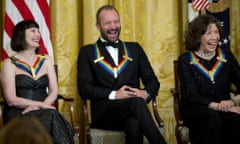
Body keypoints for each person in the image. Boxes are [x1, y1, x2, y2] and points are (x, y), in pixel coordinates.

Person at [77, 4, 166, 144]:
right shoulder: (87, 52)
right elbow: (84, 88)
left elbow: (153, 81)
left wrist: (145, 93)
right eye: (107, 23)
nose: (113, 26)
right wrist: (114, 94)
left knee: (134, 123)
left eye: (116, 21)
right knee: (136, 103)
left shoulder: (135, 49)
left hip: (134, 112)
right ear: (98, 26)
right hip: (105, 115)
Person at [1, 20, 74, 144]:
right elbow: (11, 99)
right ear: (21, 35)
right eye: (33, 31)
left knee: (51, 115)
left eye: (39, 31)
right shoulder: (9, 63)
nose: (38, 34)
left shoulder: (46, 60)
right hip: (19, 112)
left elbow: (54, 91)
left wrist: (40, 106)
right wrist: (40, 105)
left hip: (43, 109)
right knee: (52, 116)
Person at [178, 14, 240, 144]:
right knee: (213, 119)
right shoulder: (185, 59)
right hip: (195, 108)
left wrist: (233, 102)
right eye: (208, 33)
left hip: (223, 106)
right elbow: (191, 95)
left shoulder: (226, 56)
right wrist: (219, 106)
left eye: (216, 32)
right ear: (198, 36)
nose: (214, 37)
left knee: (235, 120)